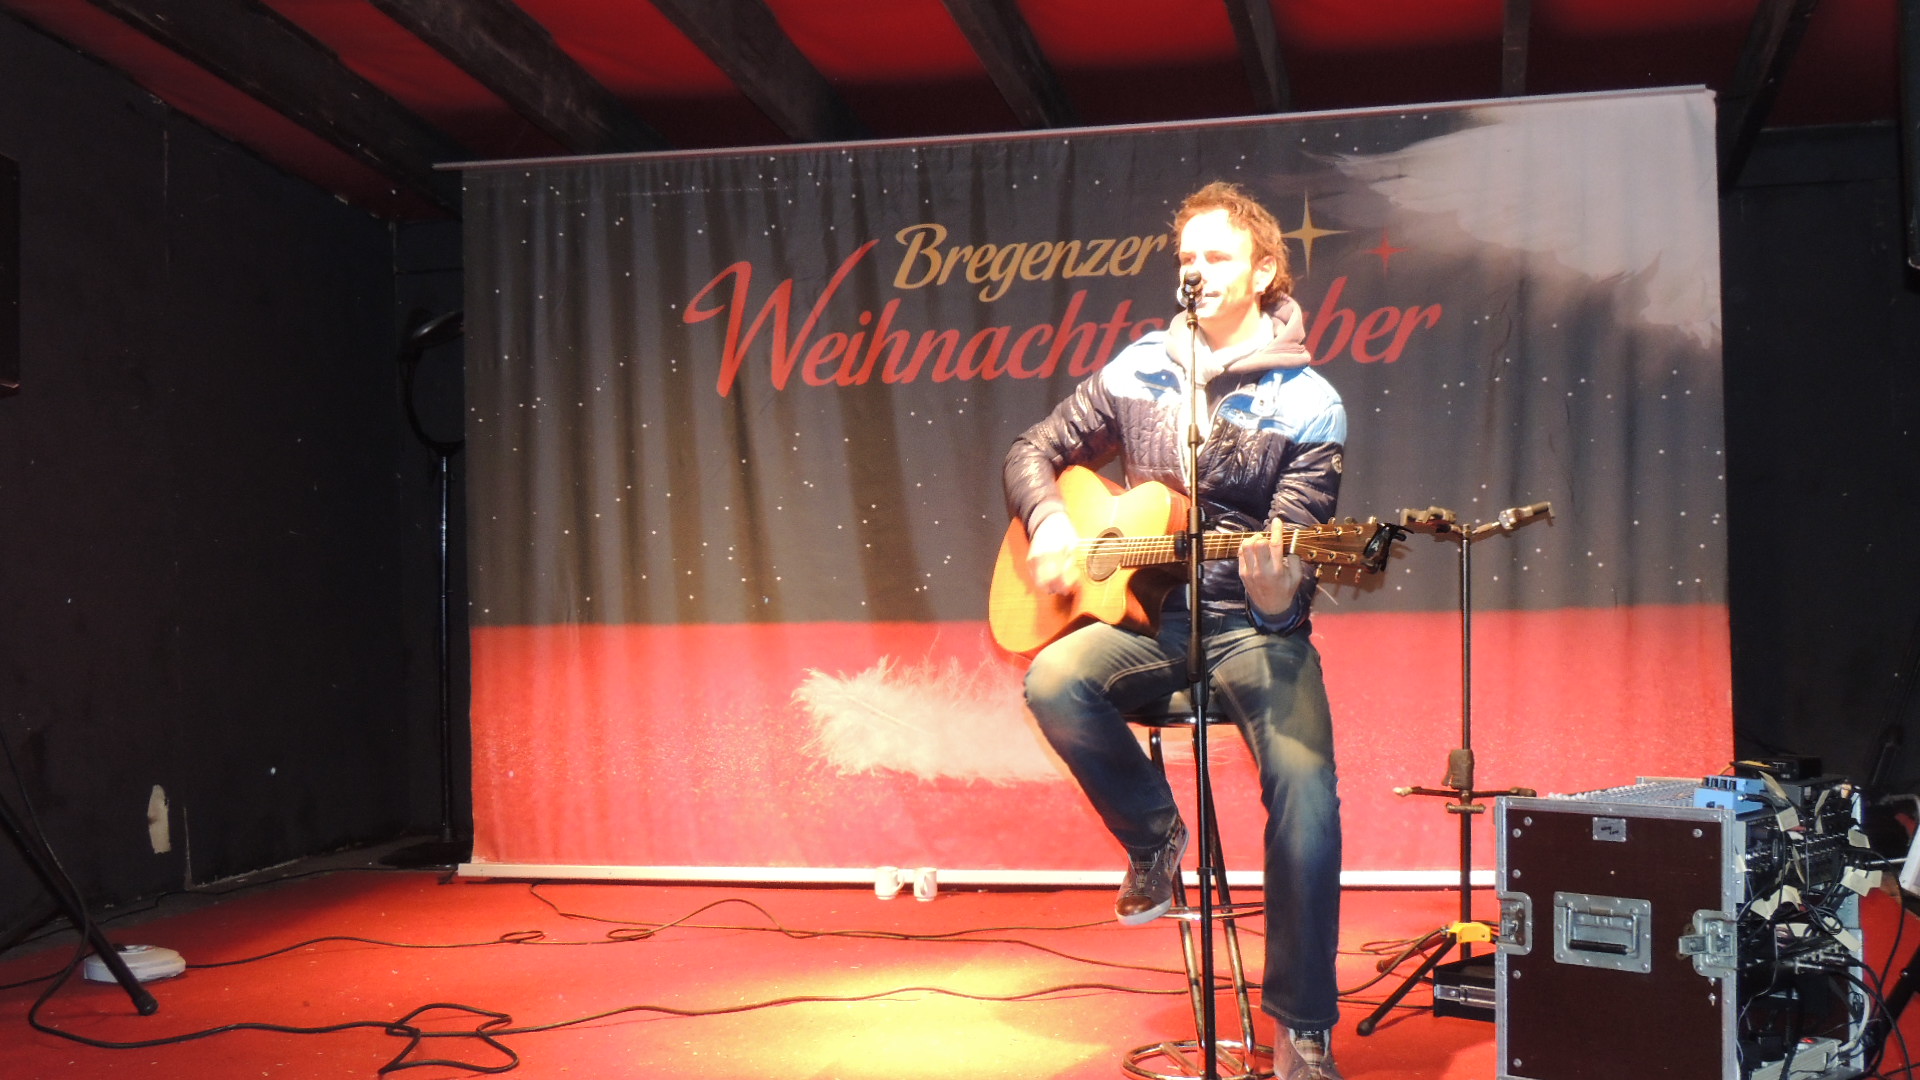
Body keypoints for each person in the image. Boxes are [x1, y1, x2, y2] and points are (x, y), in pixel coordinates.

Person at [1002, 181, 1347, 1080]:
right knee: (1052, 680)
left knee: (1308, 795)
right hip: (1152, 622)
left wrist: (1277, 596)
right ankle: (1155, 837)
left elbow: (1297, 547)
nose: (1196, 269)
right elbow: (1032, 451)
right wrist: (1052, 524)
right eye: (1186, 256)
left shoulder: (1309, 402)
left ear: (1264, 272)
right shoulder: (1138, 368)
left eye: (1217, 255)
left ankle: (1302, 1028)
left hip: (1256, 630)